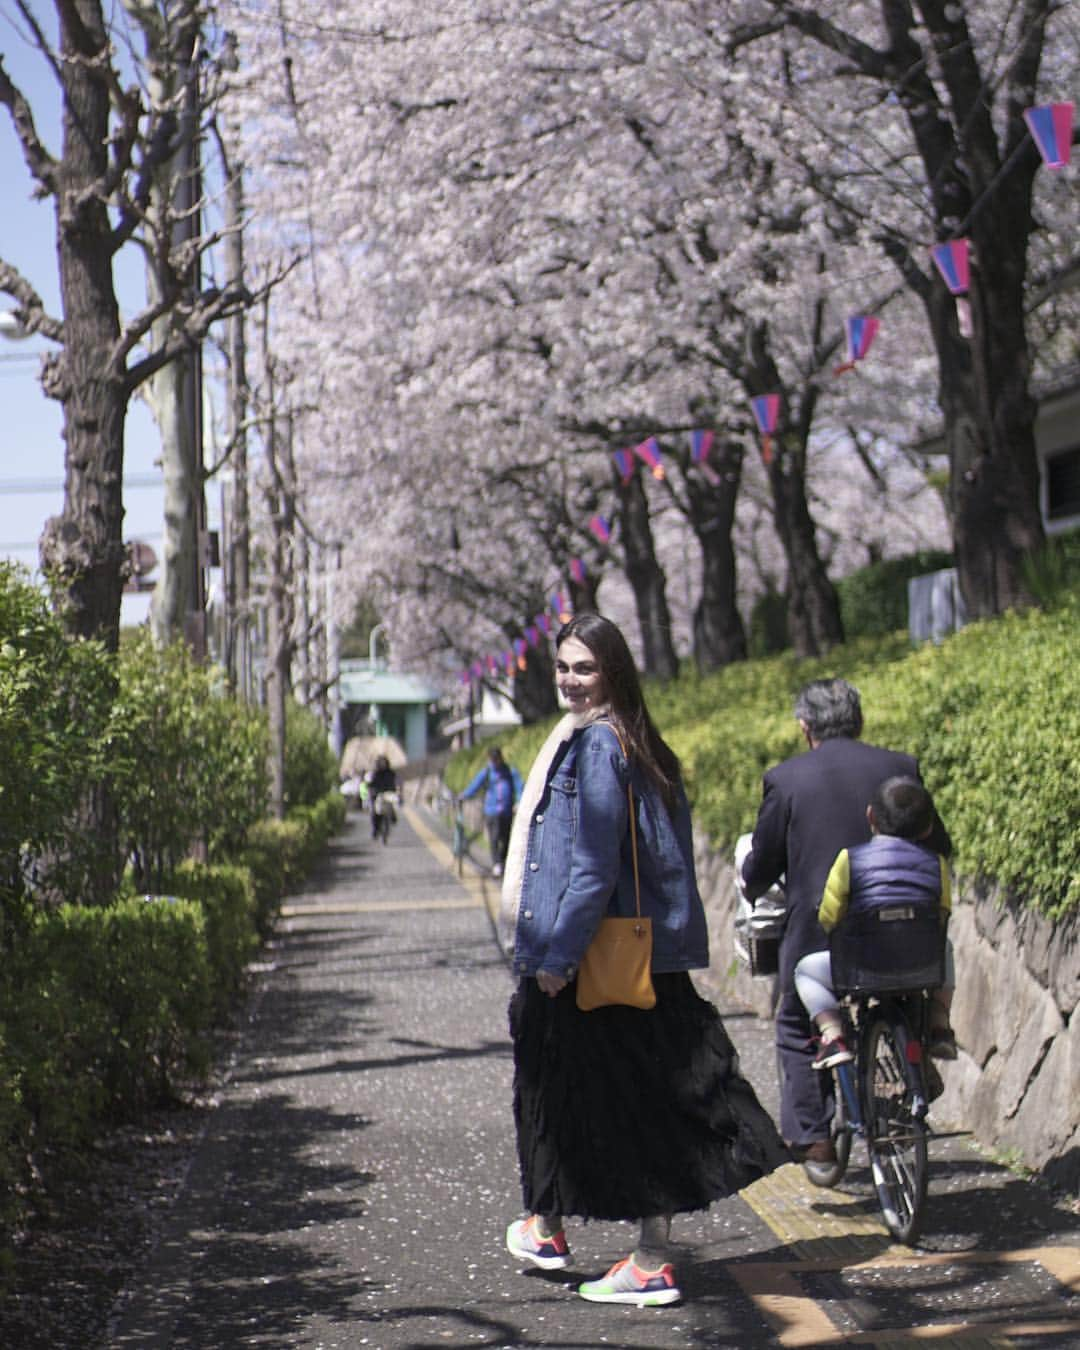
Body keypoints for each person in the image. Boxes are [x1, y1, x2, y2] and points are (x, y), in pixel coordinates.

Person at [501, 612, 789, 1308]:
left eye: (584, 668)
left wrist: (559, 956)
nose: (569, 679)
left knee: (609, 1096)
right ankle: (557, 1224)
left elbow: (595, 865)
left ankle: (640, 1254)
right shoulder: (637, 740)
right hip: (639, 956)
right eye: (563, 666)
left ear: (613, 672)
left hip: (599, 958)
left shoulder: (600, 747)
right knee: (613, 1090)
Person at [741, 678, 951, 1164]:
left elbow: (764, 861)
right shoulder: (900, 767)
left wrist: (752, 884)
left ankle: (813, 1135)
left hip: (824, 928)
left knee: (796, 1017)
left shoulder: (787, 779)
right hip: (906, 929)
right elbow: (936, 842)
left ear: (804, 727)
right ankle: (918, 1053)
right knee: (915, 976)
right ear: (859, 721)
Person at [793, 775, 957, 1070]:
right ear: (930, 826)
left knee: (806, 970)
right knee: (944, 945)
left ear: (871, 815)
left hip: (861, 968)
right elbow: (942, 912)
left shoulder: (850, 859)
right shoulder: (937, 864)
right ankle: (939, 1024)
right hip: (921, 966)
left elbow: (830, 917)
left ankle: (833, 1037)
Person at [459, 746, 522, 877]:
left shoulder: (510, 771)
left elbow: (519, 786)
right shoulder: (487, 772)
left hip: (506, 810)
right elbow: (475, 785)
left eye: (496, 759)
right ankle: (496, 864)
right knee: (494, 838)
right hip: (491, 811)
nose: (495, 761)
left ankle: (503, 862)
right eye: (492, 759)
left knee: (506, 838)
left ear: (501, 758)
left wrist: (519, 801)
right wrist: (465, 795)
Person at [365, 755, 399, 840]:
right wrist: (371, 790)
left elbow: (396, 782)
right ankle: (375, 830)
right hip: (377, 794)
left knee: (393, 803)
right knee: (374, 812)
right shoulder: (375, 774)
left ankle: (393, 816)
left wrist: (396, 789)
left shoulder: (391, 773)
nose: (382, 764)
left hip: (389, 793)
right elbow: (370, 784)